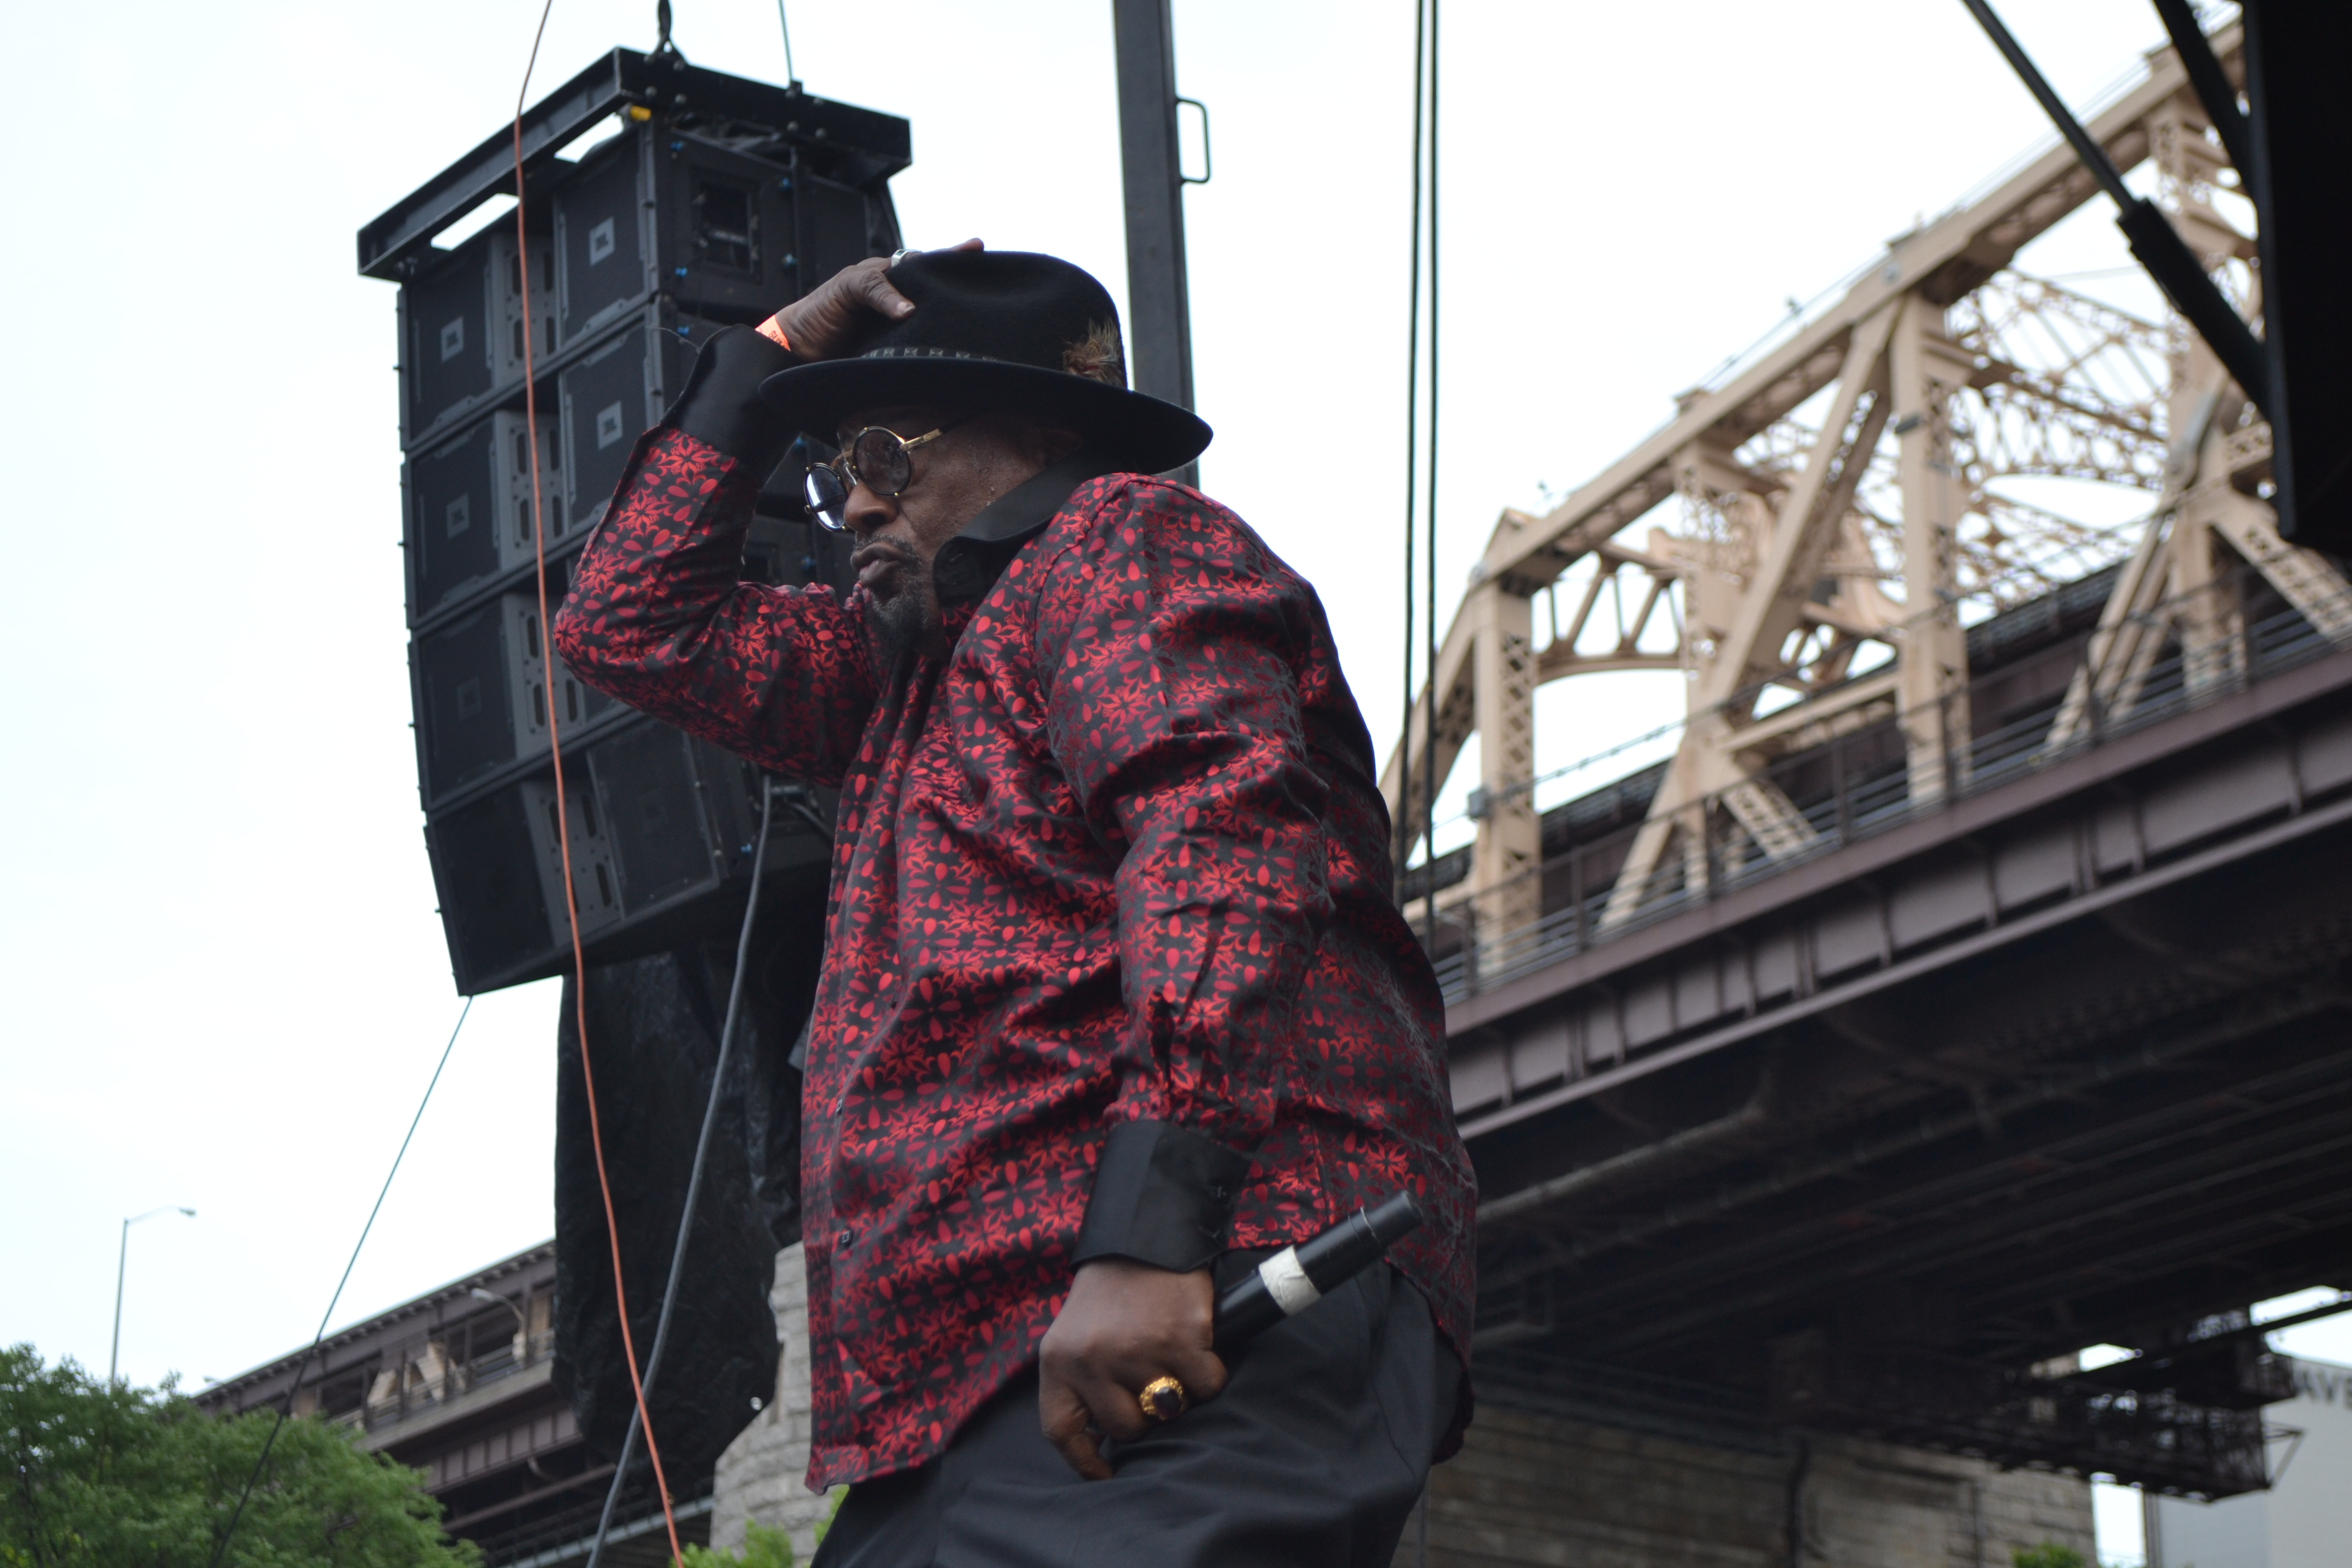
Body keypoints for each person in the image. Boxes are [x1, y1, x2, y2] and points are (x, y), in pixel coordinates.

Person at [553, 246, 1475, 1568]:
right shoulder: (901, 680)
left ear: (1040, 437)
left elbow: (1218, 841)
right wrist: (764, 362)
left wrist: (1152, 1236)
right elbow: (626, 622)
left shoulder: (1119, 540)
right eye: (837, 469)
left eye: (886, 452)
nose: (854, 504)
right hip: (974, 1383)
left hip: (1187, 1284)